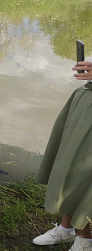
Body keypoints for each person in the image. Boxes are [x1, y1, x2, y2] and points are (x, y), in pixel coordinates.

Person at [32, 59, 92, 250]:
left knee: (86, 174)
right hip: (87, 97)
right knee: (72, 167)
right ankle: (67, 230)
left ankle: (86, 239)